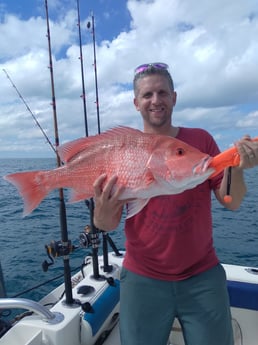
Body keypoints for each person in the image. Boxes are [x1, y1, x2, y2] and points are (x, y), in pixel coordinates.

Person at [93, 62, 258, 345]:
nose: (155, 100)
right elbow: (105, 224)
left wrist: (237, 166)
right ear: (136, 103)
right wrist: (102, 209)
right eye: (147, 95)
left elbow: (231, 201)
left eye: (162, 92)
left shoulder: (200, 140)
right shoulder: (124, 149)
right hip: (142, 279)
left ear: (174, 97)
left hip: (202, 276)